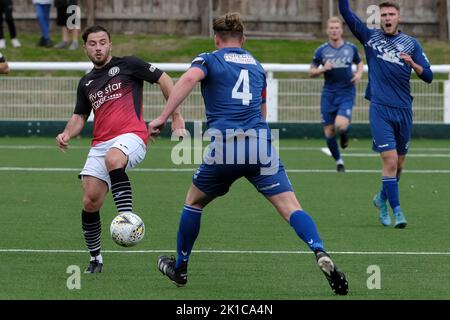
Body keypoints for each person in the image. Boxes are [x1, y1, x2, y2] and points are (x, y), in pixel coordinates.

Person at [149, 12, 348, 295]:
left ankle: (180, 268)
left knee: (194, 202)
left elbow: (189, 79)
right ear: (242, 39)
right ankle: (318, 251)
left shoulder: (209, 58)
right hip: (260, 146)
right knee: (292, 208)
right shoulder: (256, 66)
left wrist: (163, 117)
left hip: (225, 148)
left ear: (217, 38)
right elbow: (262, 112)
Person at [56, 25, 185, 273]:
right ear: (85, 48)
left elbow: (165, 79)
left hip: (132, 136)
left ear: (110, 44)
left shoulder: (129, 64)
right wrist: (66, 133)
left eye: (102, 42)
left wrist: (175, 116)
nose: (98, 47)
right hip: (100, 143)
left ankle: (127, 220)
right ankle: (95, 259)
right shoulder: (86, 82)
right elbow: (80, 117)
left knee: (114, 159)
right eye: (92, 44)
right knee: (90, 201)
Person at [338, 0, 433, 228]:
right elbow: (345, 12)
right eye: (384, 15)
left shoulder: (411, 44)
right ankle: (397, 210)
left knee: (399, 166)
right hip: (380, 109)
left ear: (398, 18)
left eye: (391, 14)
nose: (388, 18)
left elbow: (428, 76)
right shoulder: (370, 38)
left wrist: (414, 64)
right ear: (379, 18)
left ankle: (381, 198)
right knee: (389, 161)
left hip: (404, 111)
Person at [309, 16, 364, 173]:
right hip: (329, 94)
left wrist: (359, 74)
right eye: (331, 28)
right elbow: (311, 72)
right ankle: (339, 160)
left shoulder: (350, 48)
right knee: (329, 131)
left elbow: (359, 62)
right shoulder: (321, 50)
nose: (334, 30)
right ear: (327, 31)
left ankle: (345, 133)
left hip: (346, 92)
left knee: (339, 125)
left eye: (336, 28)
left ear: (341, 30)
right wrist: (322, 69)